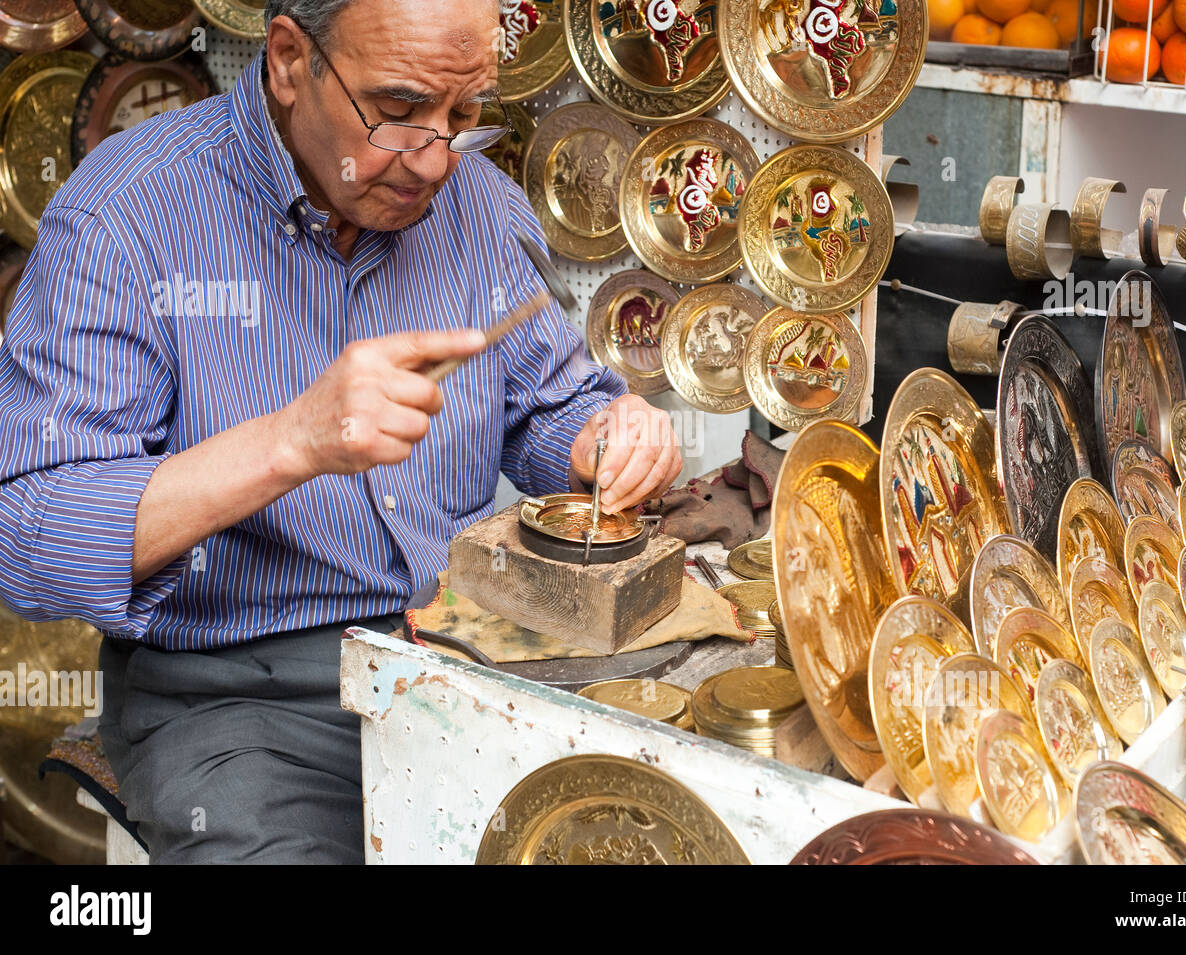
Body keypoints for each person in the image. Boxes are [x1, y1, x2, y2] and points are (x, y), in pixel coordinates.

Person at [0, 0, 682, 863]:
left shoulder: (480, 206)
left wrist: (607, 437)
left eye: (463, 112)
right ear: (290, 60)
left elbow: (550, 406)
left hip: (465, 660)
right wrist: (288, 442)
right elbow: (30, 535)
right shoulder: (126, 218)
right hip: (244, 704)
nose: (435, 159)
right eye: (397, 111)